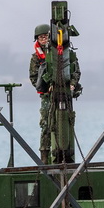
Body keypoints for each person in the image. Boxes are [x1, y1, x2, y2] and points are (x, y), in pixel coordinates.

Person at [29, 23, 81, 164]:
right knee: (46, 124)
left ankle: (67, 155)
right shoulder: (36, 58)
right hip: (47, 96)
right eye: (41, 37)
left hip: (65, 94)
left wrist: (72, 84)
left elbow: (76, 70)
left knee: (67, 121)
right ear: (37, 40)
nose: (44, 39)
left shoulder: (65, 54)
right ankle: (45, 158)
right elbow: (34, 78)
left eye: (46, 36)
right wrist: (45, 87)